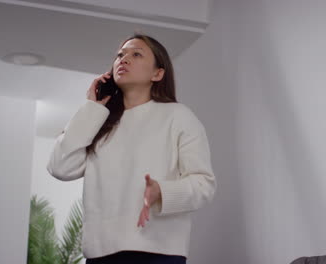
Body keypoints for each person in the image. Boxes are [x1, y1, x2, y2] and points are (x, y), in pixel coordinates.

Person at [46, 34, 216, 264]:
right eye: (120, 55)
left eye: (136, 54)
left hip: (158, 253)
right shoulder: (99, 122)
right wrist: (91, 107)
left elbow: (204, 184)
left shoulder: (178, 116)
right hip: (100, 254)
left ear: (158, 73)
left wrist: (162, 192)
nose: (123, 59)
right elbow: (60, 167)